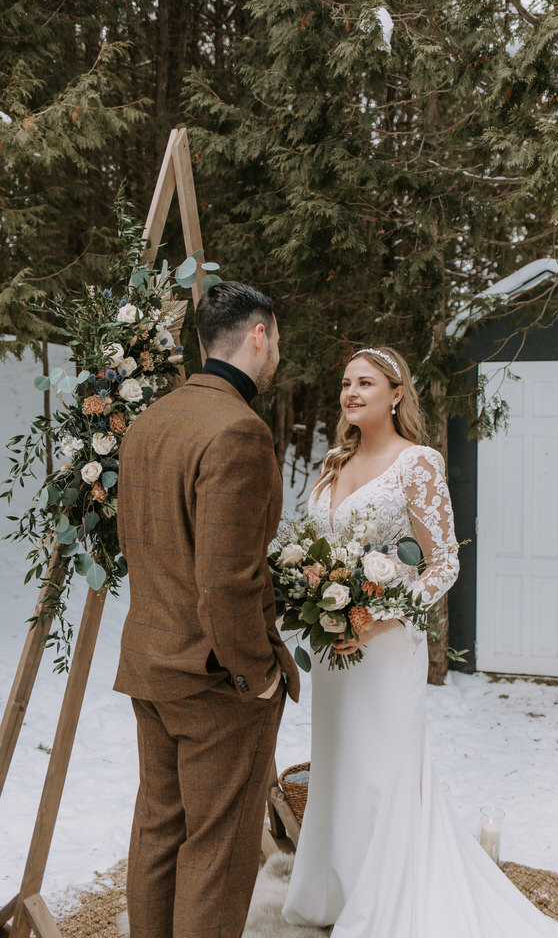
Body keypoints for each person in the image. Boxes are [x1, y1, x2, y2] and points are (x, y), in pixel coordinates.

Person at [282, 346, 558, 938]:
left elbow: (443, 564)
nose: (352, 393)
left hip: (382, 646)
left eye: (366, 383)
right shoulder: (333, 460)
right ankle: (339, 892)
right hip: (333, 646)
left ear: (397, 392)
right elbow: (316, 546)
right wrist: (317, 596)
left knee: (382, 770)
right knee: (340, 767)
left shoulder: (418, 464)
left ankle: (388, 904)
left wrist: (378, 617)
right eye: (346, 383)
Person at [114, 281, 300, 938]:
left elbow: (138, 544)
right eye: (276, 340)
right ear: (258, 335)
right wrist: (260, 675)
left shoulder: (148, 422)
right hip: (215, 683)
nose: (278, 353)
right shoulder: (239, 432)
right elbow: (226, 585)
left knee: (160, 831)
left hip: (149, 667)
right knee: (217, 853)